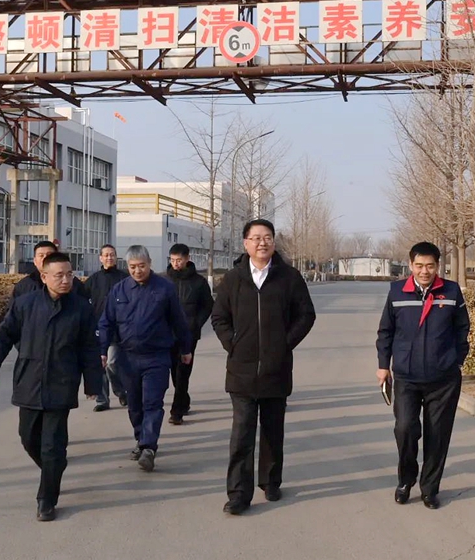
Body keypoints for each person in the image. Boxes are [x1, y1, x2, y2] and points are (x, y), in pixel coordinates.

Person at [0, 252, 103, 522]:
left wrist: (93, 383)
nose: (66, 280)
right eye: (59, 275)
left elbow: (90, 348)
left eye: (69, 274)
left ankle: (46, 500)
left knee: (52, 446)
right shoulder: (25, 305)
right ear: (44, 277)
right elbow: (3, 336)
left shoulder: (81, 308)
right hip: (30, 381)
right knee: (28, 438)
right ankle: (54, 468)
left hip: (62, 383)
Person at [211, 219, 316, 515]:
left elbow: (306, 315)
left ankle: (270, 482)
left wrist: (285, 343)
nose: (262, 242)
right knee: (241, 434)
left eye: (267, 237)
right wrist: (232, 343)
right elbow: (218, 317)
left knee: (272, 431)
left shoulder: (289, 277)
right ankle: (238, 494)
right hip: (241, 370)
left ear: (273, 242)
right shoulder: (233, 279)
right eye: (256, 237)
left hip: (276, 369)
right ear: (245, 243)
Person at [376, 241, 469, 510]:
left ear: (437, 266)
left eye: (430, 266)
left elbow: (462, 329)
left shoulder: (451, 291)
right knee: (405, 428)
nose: (424, 271)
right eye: (419, 265)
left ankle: (430, 489)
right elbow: (385, 332)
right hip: (407, 376)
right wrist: (383, 365)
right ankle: (406, 480)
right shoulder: (397, 292)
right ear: (410, 265)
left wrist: (456, 360)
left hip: (443, 379)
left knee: (437, 435)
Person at [99, 245, 192, 472]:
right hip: (128, 357)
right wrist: (101, 350)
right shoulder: (119, 291)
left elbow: (179, 321)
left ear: (150, 263)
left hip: (157, 357)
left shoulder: (164, 289)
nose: (137, 271)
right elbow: (106, 322)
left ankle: (149, 447)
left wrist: (185, 348)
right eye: (132, 267)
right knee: (135, 404)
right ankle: (140, 439)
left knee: (153, 402)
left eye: (142, 266)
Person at [165, 243, 214, 425]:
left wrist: (196, 323)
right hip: (167, 333)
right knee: (174, 370)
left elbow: (208, 306)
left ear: (187, 259)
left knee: (183, 371)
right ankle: (183, 400)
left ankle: (177, 411)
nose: (175, 263)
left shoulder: (199, 282)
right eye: (172, 260)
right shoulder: (163, 281)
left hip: (188, 334)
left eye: (179, 260)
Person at [84, 244, 129, 412]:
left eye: (112, 255)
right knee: (100, 365)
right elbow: (81, 300)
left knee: (112, 362)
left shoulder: (124, 278)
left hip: (118, 330)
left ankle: (121, 391)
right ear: (100, 258)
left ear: (116, 257)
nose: (109, 258)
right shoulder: (93, 280)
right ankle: (102, 399)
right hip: (97, 329)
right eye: (106, 255)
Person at [11, 240, 88, 305]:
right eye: (41, 255)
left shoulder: (74, 284)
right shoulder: (24, 286)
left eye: (49, 255)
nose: (45, 258)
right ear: (35, 261)